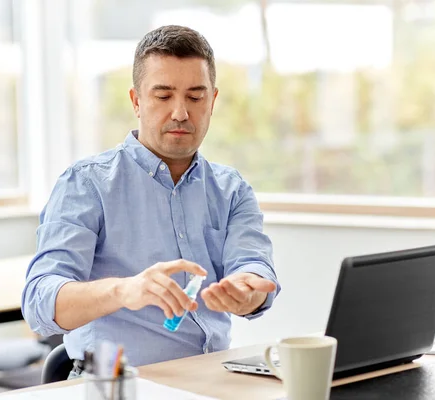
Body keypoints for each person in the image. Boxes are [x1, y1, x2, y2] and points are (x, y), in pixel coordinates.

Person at [22, 25, 281, 369]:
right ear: (136, 101)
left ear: (213, 101)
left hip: (214, 378)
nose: (180, 113)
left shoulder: (231, 189)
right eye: (163, 96)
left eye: (195, 96)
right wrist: (125, 291)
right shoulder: (87, 184)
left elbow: (254, 268)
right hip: (119, 384)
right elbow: (39, 302)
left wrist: (249, 292)